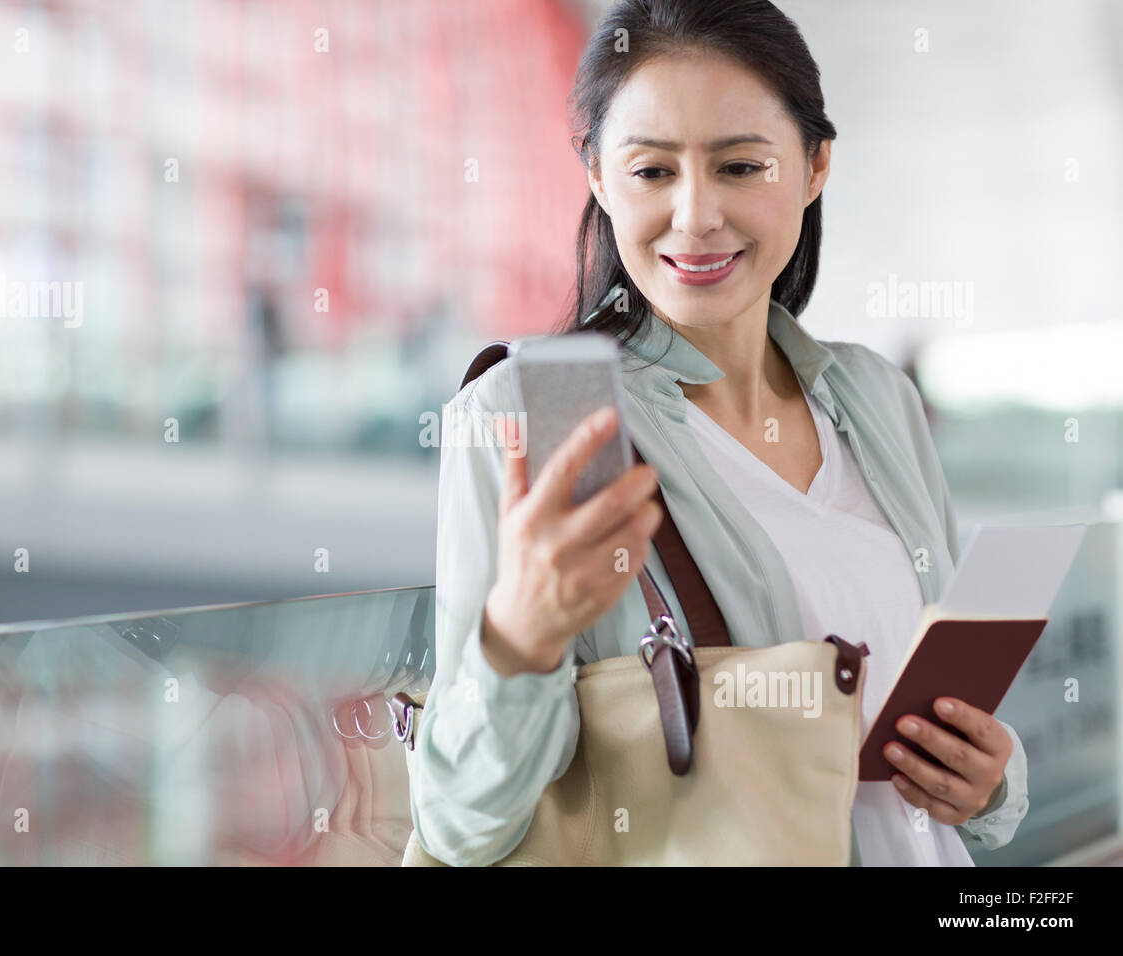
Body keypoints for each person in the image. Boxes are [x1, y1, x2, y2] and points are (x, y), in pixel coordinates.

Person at [410, 0, 1028, 867]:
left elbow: (938, 715)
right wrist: (521, 634)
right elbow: (460, 825)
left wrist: (989, 781)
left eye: (740, 166)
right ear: (596, 175)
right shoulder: (531, 414)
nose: (695, 216)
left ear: (814, 167)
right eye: (652, 172)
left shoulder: (876, 398)